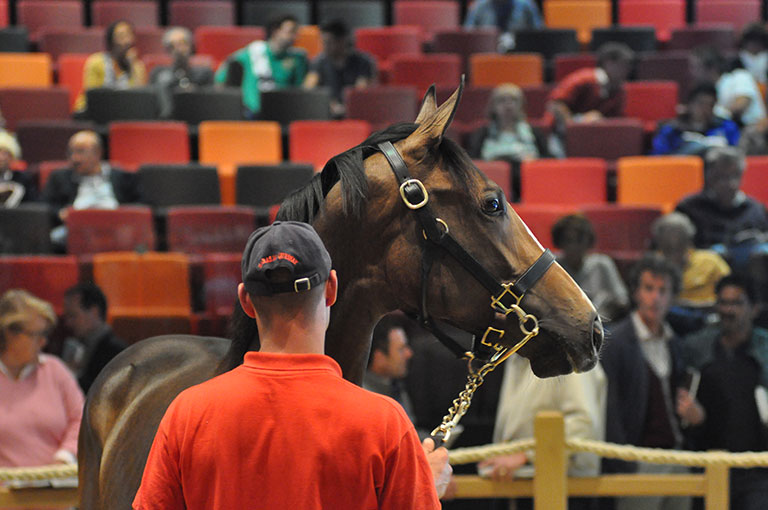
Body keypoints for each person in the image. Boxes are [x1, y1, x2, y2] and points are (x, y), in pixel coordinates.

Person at [133, 221, 451, 509]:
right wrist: (426, 487)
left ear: (245, 301)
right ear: (331, 289)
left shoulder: (187, 414)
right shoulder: (384, 423)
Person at [600, 254, 691, 510]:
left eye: (663, 291)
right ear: (636, 293)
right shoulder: (616, 343)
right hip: (638, 460)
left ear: (673, 297)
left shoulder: (674, 342)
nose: (656, 298)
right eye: (649, 289)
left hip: (676, 455)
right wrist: (623, 463)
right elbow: (610, 410)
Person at [678, 275, 768, 510]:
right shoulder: (696, 349)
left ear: (754, 308)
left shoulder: (764, 352)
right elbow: (684, 414)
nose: (728, 310)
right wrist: (694, 419)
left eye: (737, 303)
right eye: (723, 302)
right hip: (707, 466)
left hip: (756, 471)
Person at [476, 353, 606, 510]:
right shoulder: (516, 356)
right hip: (521, 486)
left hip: (565, 490)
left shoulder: (570, 353)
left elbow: (583, 424)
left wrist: (524, 456)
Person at [0, 289, 84, 468]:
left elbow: (81, 419)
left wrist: (64, 457)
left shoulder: (55, 370)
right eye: (36, 335)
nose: (43, 342)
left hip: (56, 487)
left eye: (44, 334)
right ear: (10, 334)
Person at [42, 130, 141, 249]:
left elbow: (141, 204)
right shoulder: (59, 177)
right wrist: (60, 213)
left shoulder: (122, 176)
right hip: (76, 229)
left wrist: (122, 215)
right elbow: (43, 206)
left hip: (115, 228)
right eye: (70, 152)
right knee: (53, 238)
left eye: (80, 152)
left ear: (98, 153)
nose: (74, 158)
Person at [675, 146, 768, 271]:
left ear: (742, 177)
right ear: (708, 178)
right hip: (706, 273)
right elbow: (680, 251)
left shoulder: (755, 209)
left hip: (750, 272)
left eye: (734, 176)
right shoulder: (690, 207)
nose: (728, 183)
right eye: (720, 177)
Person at [546, 42, 634, 157]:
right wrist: (575, 127)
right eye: (623, 66)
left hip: (595, 136)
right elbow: (556, 104)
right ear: (609, 63)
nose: (627, 71)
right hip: (562, 134)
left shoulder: (620, 90)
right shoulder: (583, 79)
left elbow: (615, 118)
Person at [214, 15, 308, 117]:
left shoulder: (298, 58)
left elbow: (300, 89)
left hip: (284, 112)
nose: (295, 37)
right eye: (291, 32)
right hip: (251, 112)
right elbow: (227, 66)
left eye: (296, 33)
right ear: (275, 31)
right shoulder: (254, 51)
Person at [551, 214, 629, 321]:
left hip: (602, 326)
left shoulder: (602, 265)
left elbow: (622, 301)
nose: (574, 247)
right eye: (568, 241)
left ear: (589, 242)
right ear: (559, 242)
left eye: (580, 241)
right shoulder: (553, 266)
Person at [363, 313, 425, 433]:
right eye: (401, 349)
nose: (409, 353)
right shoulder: (365, 398)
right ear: (379, 357)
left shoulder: (395, 386)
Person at [303, 19, 376, 118]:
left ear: (342, 41)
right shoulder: (318, 62)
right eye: (323, 42)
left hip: (355, 111)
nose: (324, 46)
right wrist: (329, 104)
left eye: (328, 42)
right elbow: (309, 89)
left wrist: (345, 107)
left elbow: (361, 92)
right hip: (325, 111)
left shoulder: (363, 61)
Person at [61, 282, 126, 394]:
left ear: (94, 312)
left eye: (73, 316)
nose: (68, 323)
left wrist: (72, 374)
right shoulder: (73, 344)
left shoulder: (116, 352)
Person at [75, 20, 147, 114]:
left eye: (129, 36)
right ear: (111, 41)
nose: (127, 41)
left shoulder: (137, 66)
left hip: (123, 114)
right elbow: (92, 95)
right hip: (94, 111)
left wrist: (133, 65)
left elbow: (140, 98)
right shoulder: (96, 62)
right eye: (121, 37)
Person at [651, 82, 740, 156]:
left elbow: (737, 154)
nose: (705, 109)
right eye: (701, 104)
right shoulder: (672, 130)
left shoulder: (726, 127)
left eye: (710, 105)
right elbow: (658, 157)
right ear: (689, 104)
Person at [689, 46, 765, 127]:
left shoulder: (740, 76)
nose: (691, 72)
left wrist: (713, 112)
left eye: (695, 67)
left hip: (752, 129)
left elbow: (741, 104)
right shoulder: (707, 92)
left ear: (711, 68)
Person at [467, 83, 542, 164]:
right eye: (502, 100)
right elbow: (472, 161)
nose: (508, 105)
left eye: (514, 100)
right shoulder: (482, 133)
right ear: (493, 106)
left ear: (522, 105)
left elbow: (548, 159)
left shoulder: (534, 131)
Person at [150, 26, 214, 118]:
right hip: (169, 122)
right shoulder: (158, 74)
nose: (179, 49)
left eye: (183, 43)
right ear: (167, 50)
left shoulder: (204, 74)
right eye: (173, 46)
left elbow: (211, 103)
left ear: (190, 46)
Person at [463, 0, 543, 52]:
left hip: (519, 55)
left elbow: (539, 36)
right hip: (487, 54)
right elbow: (468, 37)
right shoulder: (479, 6)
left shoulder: (526, 5)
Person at [0, 130, 36, 207]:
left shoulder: (22, 179)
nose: (1, 158)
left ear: (12, 157)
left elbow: (33, 206)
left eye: (5, 153)